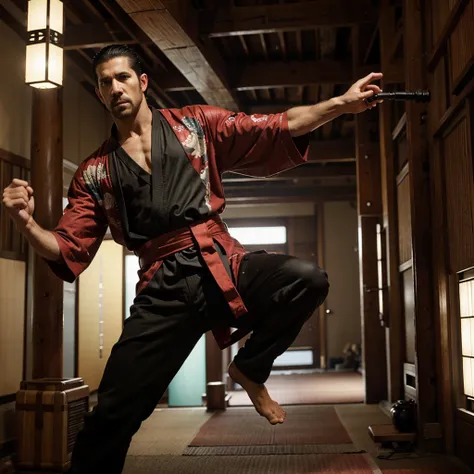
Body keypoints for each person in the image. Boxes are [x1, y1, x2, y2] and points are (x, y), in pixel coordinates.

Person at [2, 45, 382, 474]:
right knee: (113, 412)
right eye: (105, 82)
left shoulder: (195, 125)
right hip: (161, 290)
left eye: (122, 77)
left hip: (220, 263)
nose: (115, 88)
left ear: (142, 82)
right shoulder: (94, 171)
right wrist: (26, 224)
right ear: (99, 93)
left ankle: (250, 369)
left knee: (306, 279)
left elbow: (275, 126)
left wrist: (342, 104)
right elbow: (69, 245)